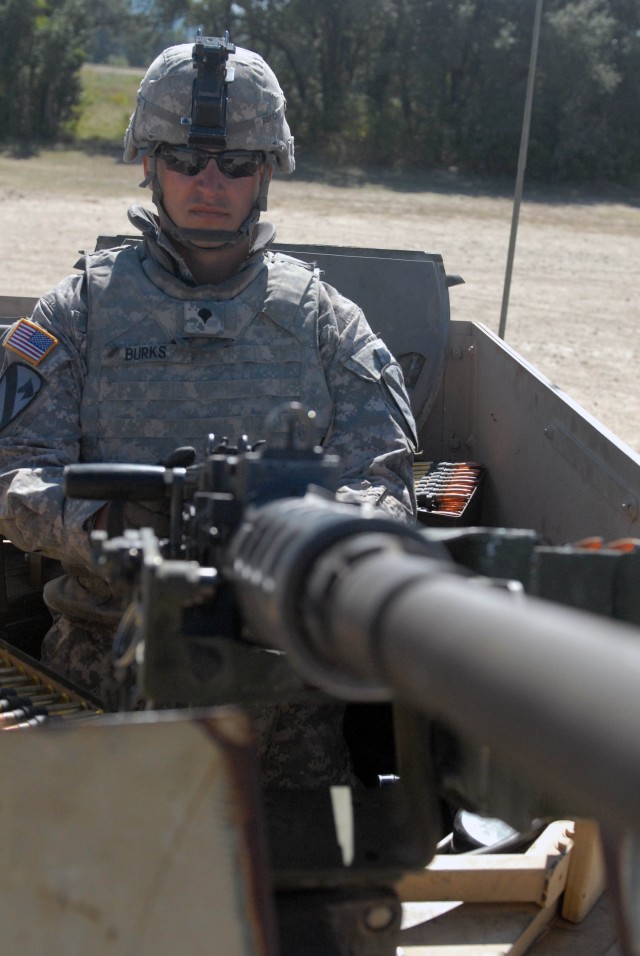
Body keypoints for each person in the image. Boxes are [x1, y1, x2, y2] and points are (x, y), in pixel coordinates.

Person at [0, 33, 417, 786]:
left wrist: (308, 545)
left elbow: (386, 484)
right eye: (185, 161)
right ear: (149, 166)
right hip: (102, 687)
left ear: (267, 173)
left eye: (236, 164)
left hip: (284, 707)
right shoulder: (79, 311)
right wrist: (107, 529)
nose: (209, 182)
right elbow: (15, 476)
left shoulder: (325, 321)